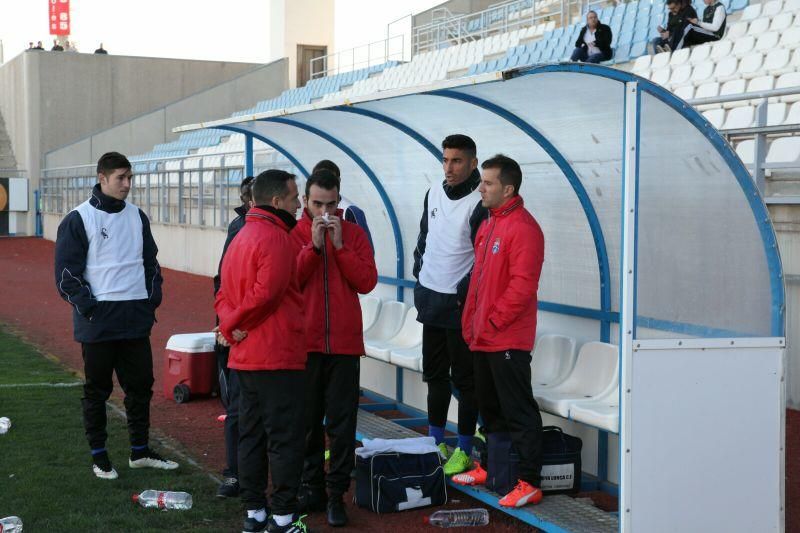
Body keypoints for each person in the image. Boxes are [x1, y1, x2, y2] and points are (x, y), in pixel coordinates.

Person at [55, 151, 178, 480]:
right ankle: (99, 456)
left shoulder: (138, 216)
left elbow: (151, 263)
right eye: (120, 178)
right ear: (102, 178)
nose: (127, 184)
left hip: (135, 317)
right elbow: (67, 276)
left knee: (140, 387)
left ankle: (139, 452)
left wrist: (150, 301)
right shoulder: (79, 219)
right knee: (97, 390)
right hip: (99, 320)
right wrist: (91, 308)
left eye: (130, 178)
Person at [215, 169, 312, 533]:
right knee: (284, 438)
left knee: (251, 436)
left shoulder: (241, 234)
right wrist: (235, 322)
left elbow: (223, 290)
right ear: (276, 202)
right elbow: (267, 295)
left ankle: (255, 513)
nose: (299, 203)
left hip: (246, 355)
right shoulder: (277, 238)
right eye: (294, 197)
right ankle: (284, 518)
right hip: (276, 355)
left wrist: (230, 324)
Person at [452, 154, 545, 508]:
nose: (481, 188)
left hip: (506, 338)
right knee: (488, 408)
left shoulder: (523, 228)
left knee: (517, 410)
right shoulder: (490, 223)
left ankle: (530, 481)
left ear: (508, 189)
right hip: (483, 337)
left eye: (488, 183)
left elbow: (522, 287)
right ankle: (492, 468)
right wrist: (472, 324)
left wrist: (490, 322)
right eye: (482, 182)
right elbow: (479, 282)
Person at [292, 170, 377, 527]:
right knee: (308, 423)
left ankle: (337, 494)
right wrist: (312, 247)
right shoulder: (292, 233)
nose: (324, 212)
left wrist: (340, 247)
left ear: (339, 201)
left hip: (343, 344)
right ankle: (312, 487)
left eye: (331, 204)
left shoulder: (353, 233)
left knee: (342, 426)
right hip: (306, 344)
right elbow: (291, 280)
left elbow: (367, 281)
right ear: (305, 202)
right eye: (316, 204)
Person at [413, 134, 486, 477]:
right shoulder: (433, 192)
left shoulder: (479, 202)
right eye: (445, 160)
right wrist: (419, 277)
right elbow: (424, 239)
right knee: (435, 376)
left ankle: (465, 448)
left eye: (456, 161)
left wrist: (463, 292)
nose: (449, 167)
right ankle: (435, 441)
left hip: (459, 305)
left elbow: (481, 258)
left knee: (466, 381)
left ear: (473, 163)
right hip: (430, 298)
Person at [211, 176, 254, 499]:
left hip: (265, 336)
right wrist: (226, 326)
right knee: (239, 409)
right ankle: (236, 474)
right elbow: (223, 281)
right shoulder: (238, 229)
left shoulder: (286, 234)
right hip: (240, 335)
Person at [311, 160, 373, 251]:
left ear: (339, 181)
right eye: (318, 179)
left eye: (330, 180)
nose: (324, 183)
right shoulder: (306, 215)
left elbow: (367, 252)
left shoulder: (350, 211)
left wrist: (341, 248)